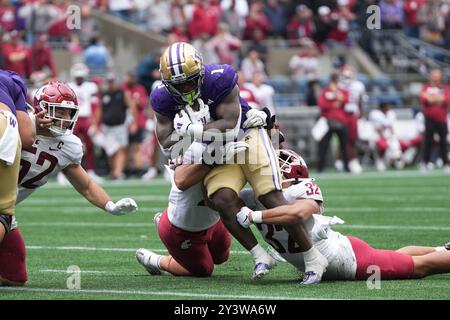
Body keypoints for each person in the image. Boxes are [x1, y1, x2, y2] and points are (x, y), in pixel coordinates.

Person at [151, 42, 328, 284]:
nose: (185, 88)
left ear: (201, 73)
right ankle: (260, 255)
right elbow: (165, 142)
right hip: (216, 149)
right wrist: (196, 139)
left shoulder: (219, 78)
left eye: (190, 81)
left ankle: (313, 257)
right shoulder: (162, 97)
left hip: (246, 135)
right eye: (178, 85)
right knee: (221, 199)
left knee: (270, 197)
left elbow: (230, 124)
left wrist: (191, 130)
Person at [236, 149, 450, 282]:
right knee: (400, 258)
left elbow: (297, 213)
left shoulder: (301, 188)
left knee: (420, 268)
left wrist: (255, 216)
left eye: (276, 167)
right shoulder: (252, 196)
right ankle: (443, 249)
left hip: (349, 260)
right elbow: (220, 201)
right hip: (339, 260)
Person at [0, 81, 138, 286]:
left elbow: (87, 185)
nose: (65, 119)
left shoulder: (68, 146)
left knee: (15, 277)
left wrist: (111, 206)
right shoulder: (17, 123)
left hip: (7, 207)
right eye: (59, 112)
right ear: (41, 110)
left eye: (68, 113)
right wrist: (29, 123)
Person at [136, 140, 248, 277]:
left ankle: (163, 221)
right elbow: (181, 181)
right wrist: (211, 159)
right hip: (182, 229)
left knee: (221, 257)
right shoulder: (194, 146)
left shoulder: (237, 141)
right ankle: (155, 260)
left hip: (213, 221)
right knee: (204, 270)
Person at [0, 69, 36, 247]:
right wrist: (33, 120)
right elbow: (28, 137)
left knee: (15, 275)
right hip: (3, 122)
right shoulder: (11, 79)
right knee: (2, 213)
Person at [68, 63, 103, 183]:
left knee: (90, 145)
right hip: (73, 119)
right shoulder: (69, 86)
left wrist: (95, 124)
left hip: (87, 118)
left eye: (81, 76)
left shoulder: (91, 86)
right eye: (77, 77)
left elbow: (96, 106)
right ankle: (66, 172)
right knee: (69, 146)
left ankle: (91, 170)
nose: (79, 79)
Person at [419, 68, 450, 172]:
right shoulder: (426, 87)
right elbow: (424, 98)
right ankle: (425, 163)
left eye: (438, 74)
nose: (436, 76)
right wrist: (437, 98)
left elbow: (445, 100)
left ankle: (446, 163)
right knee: (428, 141)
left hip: (442, 119)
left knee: (443, 142)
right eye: (434, 74)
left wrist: (432, 98)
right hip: (429, 119)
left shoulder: (445, 88)